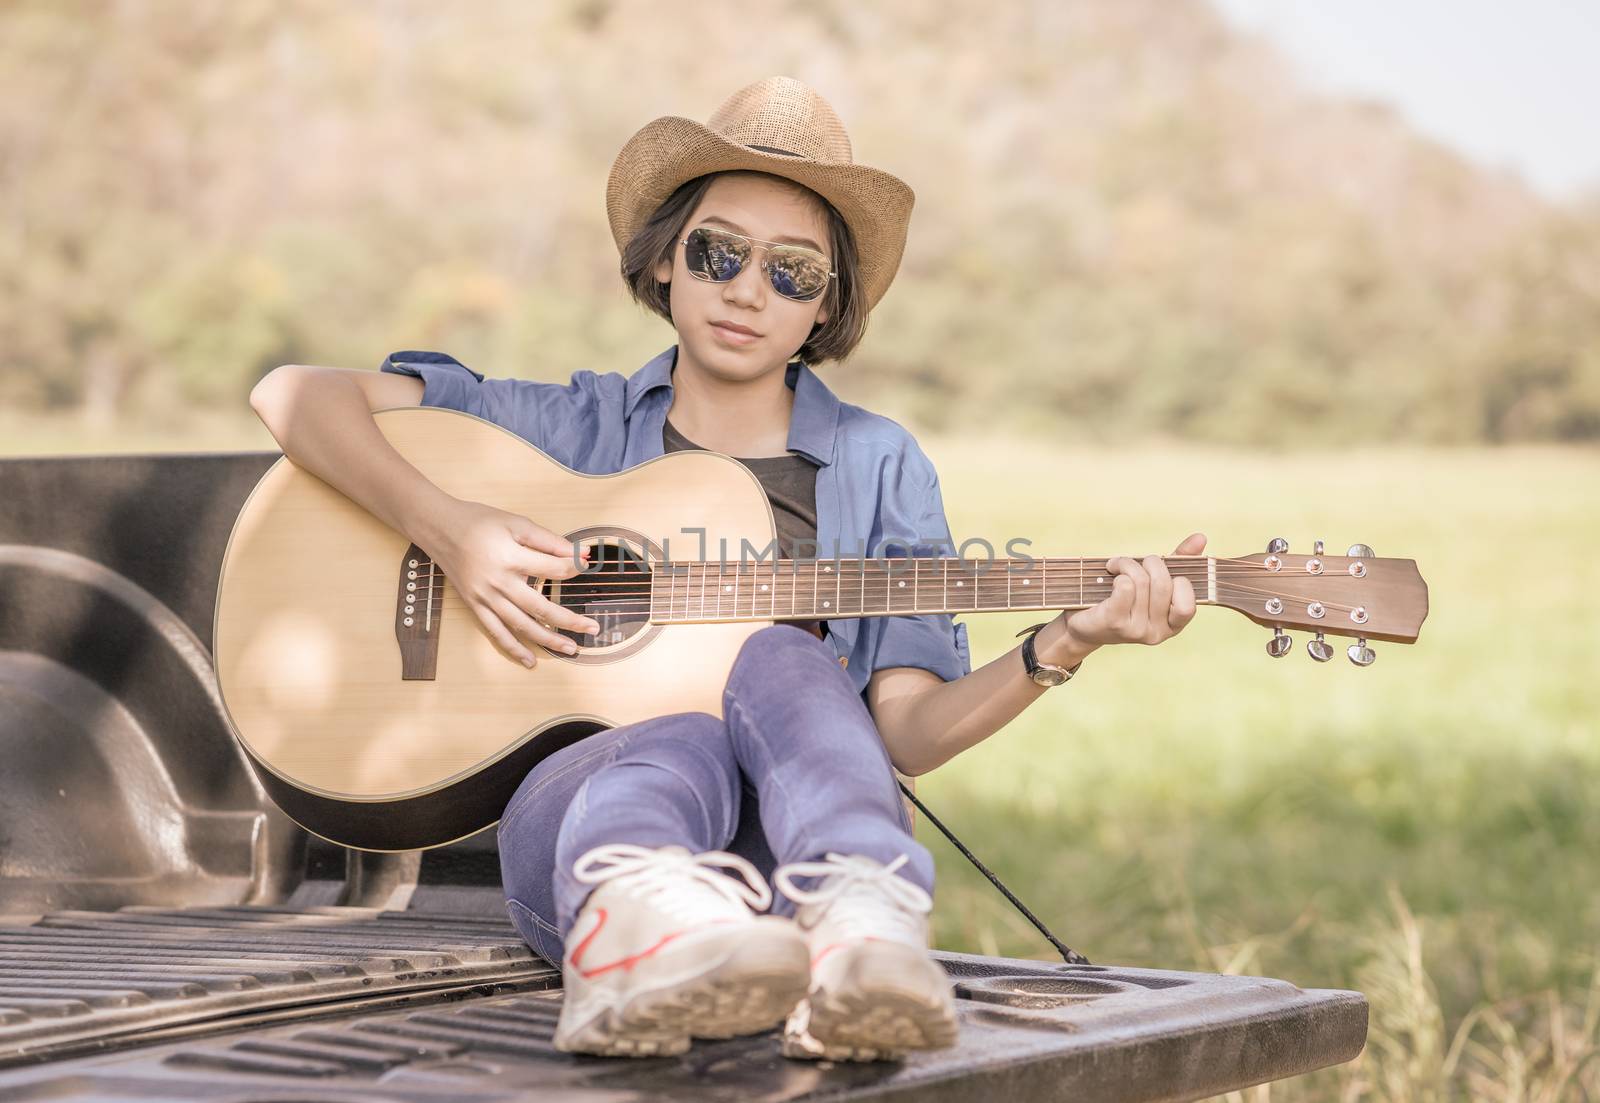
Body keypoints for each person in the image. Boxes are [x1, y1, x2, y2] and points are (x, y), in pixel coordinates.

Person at [249, 75, 1206, 1062]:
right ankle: (643, 925)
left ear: (825, 306)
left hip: (779, 863)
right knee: (684, 727)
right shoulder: (573, 425)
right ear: (666, 260)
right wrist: (453, 531)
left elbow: (906, 732)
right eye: (720, 252)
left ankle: (862, 927)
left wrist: (1065, 640)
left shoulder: (880, 465)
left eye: (794, 271)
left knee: (782, 661)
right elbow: (294, 394)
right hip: (580, 839)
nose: (751, 289)